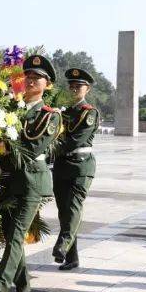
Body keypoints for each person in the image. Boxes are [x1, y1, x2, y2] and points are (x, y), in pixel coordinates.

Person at [0, 55, 62, 292]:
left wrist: (3, 154)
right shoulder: (11, 109)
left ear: (47, 84)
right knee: (9, 233)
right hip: (8, 179)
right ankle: (24, 285)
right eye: (27, 76)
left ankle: (0, 283)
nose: (30, 81)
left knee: (17, 232)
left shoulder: (50, 116)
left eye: (37, 78)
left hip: (31, 180)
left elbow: (32, 147)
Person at [51, 68, 100, 272]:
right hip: (62, 166)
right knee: (64, 211)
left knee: (73, 206)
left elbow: (74, 141)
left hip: (81, 166)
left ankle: (62, 245)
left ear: (86, 89)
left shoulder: (89, 112)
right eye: (71, 85)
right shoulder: (62, 112)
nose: (73, 89)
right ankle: (72, 258)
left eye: (78, 86)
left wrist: (48, 149)